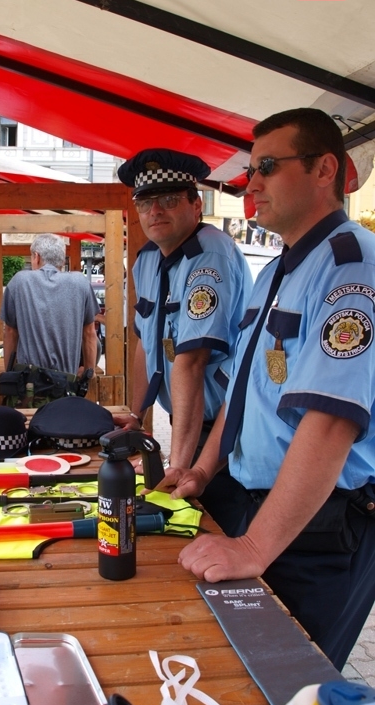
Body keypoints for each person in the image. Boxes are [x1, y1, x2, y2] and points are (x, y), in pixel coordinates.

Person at [157, 108, 375, 670]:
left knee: (283, 684)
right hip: (256, 507)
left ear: (324, 169)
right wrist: (202, 470)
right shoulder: (278, 271)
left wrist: (253, 547)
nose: (251, 184)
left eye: (268, 167)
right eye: (250, 170)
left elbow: (330, 421)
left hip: (321, 530)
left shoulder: (352, 268)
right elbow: (243, 393)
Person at [115, 149, 253, 470]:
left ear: (196, 204)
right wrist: (137, 415)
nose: (155, 211)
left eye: (169, 200)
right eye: (145, 203)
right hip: (188, 422)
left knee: (201, 501)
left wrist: (178, 467)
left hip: (227, 428)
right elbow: (145, 343)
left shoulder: (210, 254)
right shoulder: (148, 258)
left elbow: (191, 362)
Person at [0, 233, 99, 393]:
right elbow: (89, 333)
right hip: (66, 386)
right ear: (62, 260)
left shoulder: (19, 282)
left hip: (28, 387)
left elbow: (10, 332)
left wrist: (10, 374)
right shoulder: (80, 283)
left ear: (36, 257)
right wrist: (89, 370)